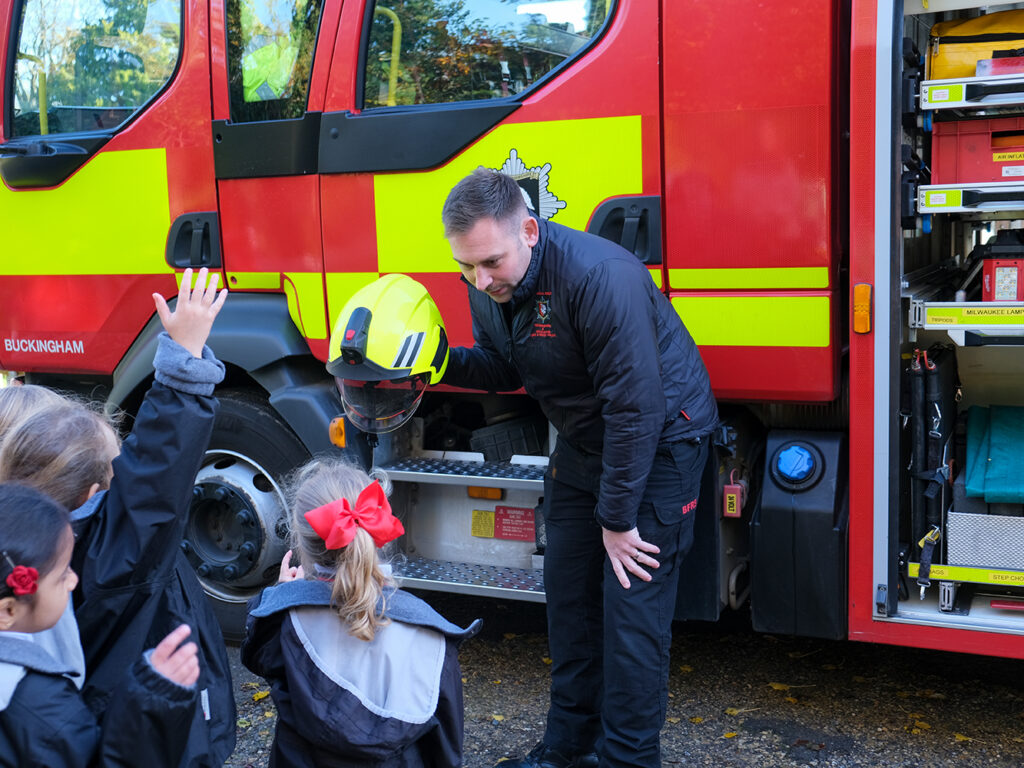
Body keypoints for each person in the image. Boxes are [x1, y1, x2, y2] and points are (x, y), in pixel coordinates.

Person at [440, 168, 719, 768]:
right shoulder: (488, 278)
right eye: (466, 266)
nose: (479, 280)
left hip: (661, 442)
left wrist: (616, 519)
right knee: (569, 605)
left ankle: (626, 759)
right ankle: (565, 750)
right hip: (583, 444)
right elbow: (504, 367)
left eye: (490, 262)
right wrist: (437, 362)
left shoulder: (599, 276)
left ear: (531, 231)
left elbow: (636, 406)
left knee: (631, 624)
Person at [0, 267, 236, 767]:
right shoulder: (113, 555)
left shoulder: (15, 549)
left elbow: (150, 480)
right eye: (115, 475)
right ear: (93, 494)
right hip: (159, 730)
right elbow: (156, 476)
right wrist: (183, 359)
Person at [241, 457, 480, 768]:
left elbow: (257, 654)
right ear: (377, 533)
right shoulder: (433, 637)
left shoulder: (283, 622)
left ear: (300, 541)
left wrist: (283, 594)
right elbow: (446, 749)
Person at [0, 482, 200, 767]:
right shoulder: (43, 709)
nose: (73, 580)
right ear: (7, 610)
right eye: (61, 575)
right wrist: (149, 701)